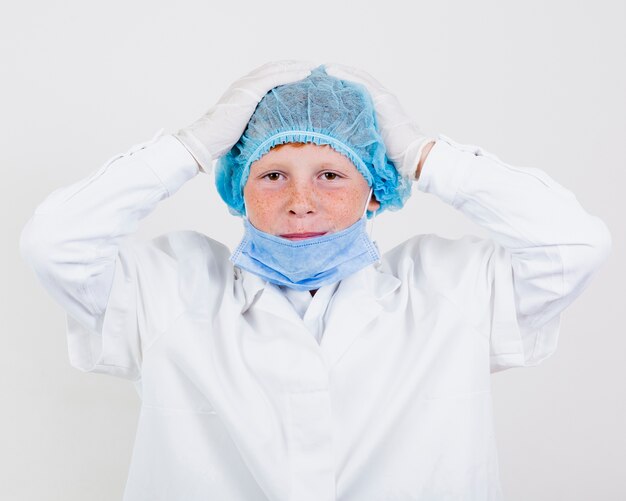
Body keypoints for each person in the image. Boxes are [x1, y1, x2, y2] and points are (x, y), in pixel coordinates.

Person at [19, 60, 612, 500]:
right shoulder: (169, 287)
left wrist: (425, 154)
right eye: (273, 173)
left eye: (331, 173)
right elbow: (56, 244)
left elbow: (574, 244)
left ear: (377, 190)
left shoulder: (450, 289)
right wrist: (190, 146)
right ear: (236, 189)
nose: (301, 202)